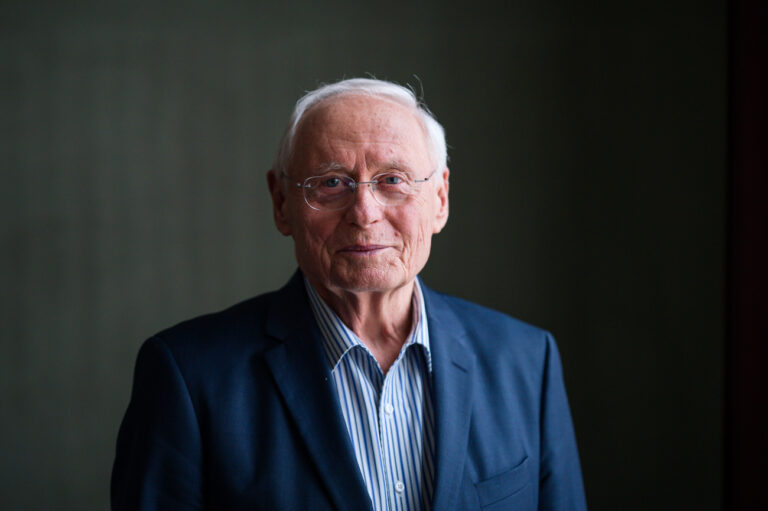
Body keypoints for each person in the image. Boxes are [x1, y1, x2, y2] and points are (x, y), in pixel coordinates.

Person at [111, 78, 587, 511]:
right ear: (281, 204)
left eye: (393, 180)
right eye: (332, 183)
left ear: (440, 200)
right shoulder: (190, 377)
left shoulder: (527, 361)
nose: (364, 212)